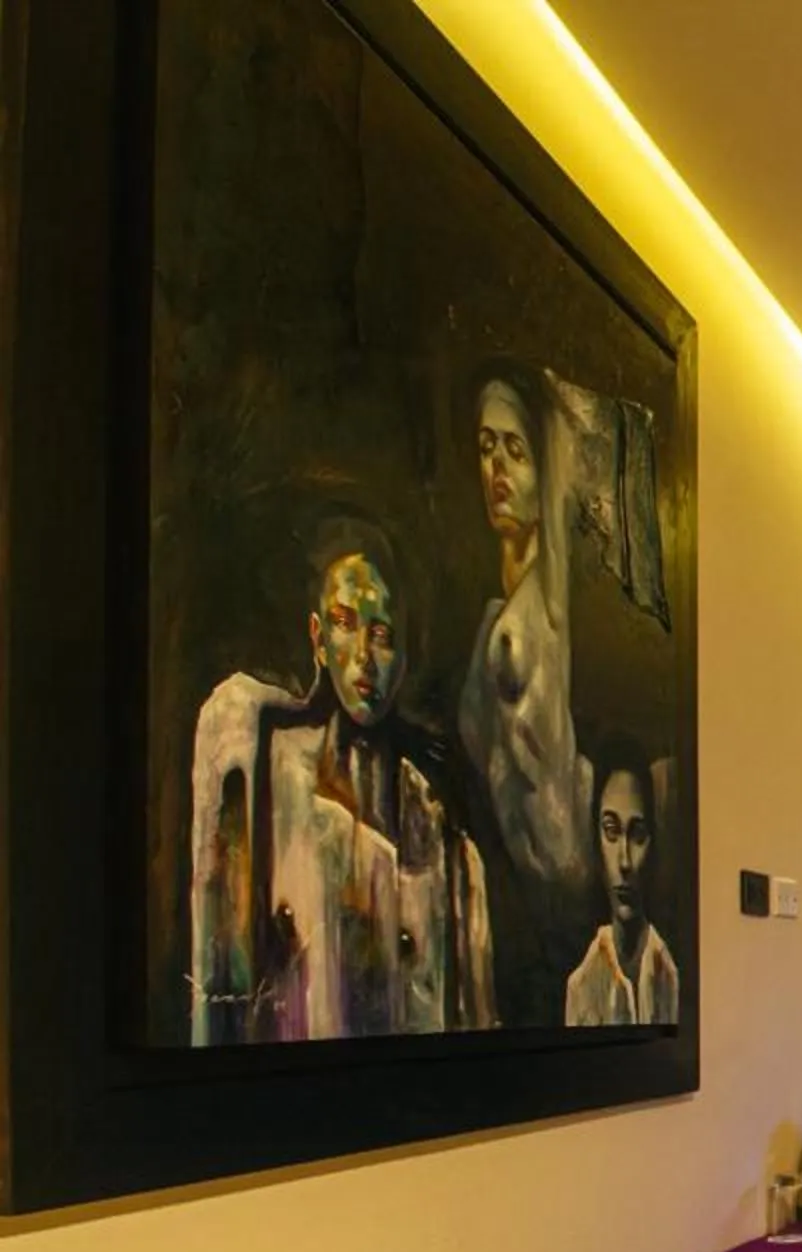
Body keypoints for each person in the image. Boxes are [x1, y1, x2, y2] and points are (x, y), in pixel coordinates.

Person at [189, 516, 494, 1042]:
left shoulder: (433, 828)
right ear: (318, 637)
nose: (362, 659)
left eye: (380, 635)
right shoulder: (262, 768)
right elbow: (219, 991)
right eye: (344, 622)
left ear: (403, 652)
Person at [459, 365, 594, 892]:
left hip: (562, 867)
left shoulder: (547, 603)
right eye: (487, 447)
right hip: (521, 882)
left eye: (516, 451)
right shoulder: (495, 615)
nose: (497, 468)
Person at [563, 753, 679, 1026]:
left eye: (637, 835)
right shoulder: (581, 987)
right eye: (611, 831)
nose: (625, 861)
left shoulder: (671, 976)